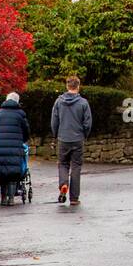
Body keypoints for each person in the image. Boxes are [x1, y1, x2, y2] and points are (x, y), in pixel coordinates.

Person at [51, 75, 92, 205]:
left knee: (63, 164)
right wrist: (85, 134)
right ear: (78, 86)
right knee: (76, 167)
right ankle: (74, 198)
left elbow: (54, 121)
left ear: (67, 86)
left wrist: (56, 134)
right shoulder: (83, 103)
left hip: (63, 138)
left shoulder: (58, 102)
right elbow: (88, 123)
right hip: (77, 138)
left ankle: (63, 184)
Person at [0, 91, 30, 206]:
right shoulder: (20, 114)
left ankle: (3, 198)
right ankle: (11, 199)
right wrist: (23, 140)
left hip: (0, 147)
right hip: (15, 147)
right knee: (13, 172)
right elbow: (26, 131)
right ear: (17, 101)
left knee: (3, 172)